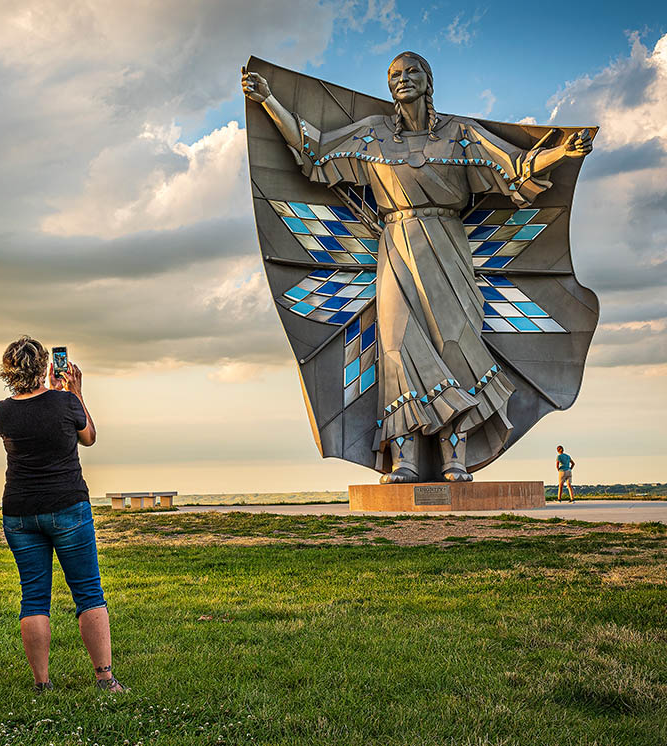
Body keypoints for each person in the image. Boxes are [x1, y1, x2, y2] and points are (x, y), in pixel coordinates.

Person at [242, 53, 592, 482]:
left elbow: (514, 168)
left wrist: (561, 151)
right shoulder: (372, 137)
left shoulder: (460, 136)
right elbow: (314, 152)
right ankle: (404, 458)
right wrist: (269, 102)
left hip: (448, 246)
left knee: (454, 343)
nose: (402, 80)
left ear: (429, 80)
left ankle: (454, 458)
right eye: (394, 74)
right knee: (396, 345)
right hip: (396, 246)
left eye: (411, 72)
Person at [0, 336, 123, 692]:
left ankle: (42, 683)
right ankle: (105, 679)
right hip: (68, 505)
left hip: (20, 511)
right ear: (44, 367)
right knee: (88, 593)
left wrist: (56, 394)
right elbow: (89, 437)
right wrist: (74, 391)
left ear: (8, 370)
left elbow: (34, 417)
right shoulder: (66, 401)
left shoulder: (3, 410)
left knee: (34, 596)